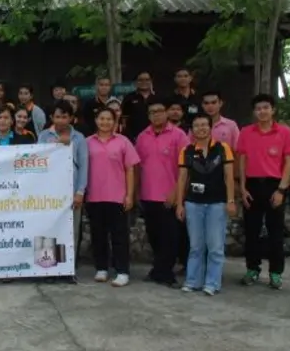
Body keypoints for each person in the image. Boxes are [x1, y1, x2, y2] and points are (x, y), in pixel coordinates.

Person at [236, 94, 290, 290]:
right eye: (258, 108)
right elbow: (242, 161)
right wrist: (242, 188)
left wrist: (281, 189)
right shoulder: (246, 132)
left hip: (275, 185)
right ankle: (252, 269)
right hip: (252, 185)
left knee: (275, 232)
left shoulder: (285, 132)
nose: (262, 111)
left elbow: (289, 162)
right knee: (251, 231)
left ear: (273, 110)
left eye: (266, 107)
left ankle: (276, 273)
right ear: (254, 112)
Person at [176, 113, 236, 295]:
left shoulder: (222, 148)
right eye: (196, 125)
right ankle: (193, 280)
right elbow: (182, 179)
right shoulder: (186, 151)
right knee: (196, 246)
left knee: (215, 246)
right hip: (193, 203)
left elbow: (229, 176)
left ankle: (212, 283)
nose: (201, 128)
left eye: (204, 125)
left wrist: (231, 200)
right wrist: (180, 204)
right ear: (191, 130)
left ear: (211, 128)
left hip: (217, 203)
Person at [135, 97, 189, 287]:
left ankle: (166, 273)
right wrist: (136, 192)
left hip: (170, 196)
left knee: (171, 237)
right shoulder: (142, 137)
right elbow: (137, 167)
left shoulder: (179, 135)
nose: (156, 115)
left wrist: (177, 192)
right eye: (152, 112)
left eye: (159, 111)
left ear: (167, 112)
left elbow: (186, 167)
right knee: (154, 236)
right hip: (148, 195)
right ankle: (158, 269)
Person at [86, 107, 140, 287]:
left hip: (117, 196)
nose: (105, 122)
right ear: (96, 120)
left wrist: (130, 195)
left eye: (109, 119)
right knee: (98, 235)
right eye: (102, 118)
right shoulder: (87, 142)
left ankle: (122, 271)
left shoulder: (123, 142)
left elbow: (130, 169)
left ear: (114, 122)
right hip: (94, 196)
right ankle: (101, 268)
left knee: (119, 236)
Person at [38, 101, 88, 281]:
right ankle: (47, 269)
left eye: (65, 116)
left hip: (71, 192)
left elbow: (83, 166)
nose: (61, 120)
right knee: (48, 230)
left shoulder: (79, 138)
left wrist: (80, 192)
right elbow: (39, 161)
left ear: (71, 118)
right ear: (52, 118)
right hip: (48, 192)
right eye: (57, 116)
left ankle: (68, 270)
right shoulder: (44, 136)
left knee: (71, 231)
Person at [121, 70, 154, 142]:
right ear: (136, 82)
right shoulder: (129, 98)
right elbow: (124, 120)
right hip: (134, 137)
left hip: (155, 137)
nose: (144, 82)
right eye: (140, 80)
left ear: (151, 81)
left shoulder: (158, 98)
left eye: (147, 79)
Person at [172, 67, 200, 132]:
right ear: (175, 79)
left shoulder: (197, 97)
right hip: (176, 130)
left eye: (185, 76)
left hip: (196, 131)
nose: (183, 79)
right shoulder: (171, 98)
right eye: (179, 76)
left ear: (190, 78)